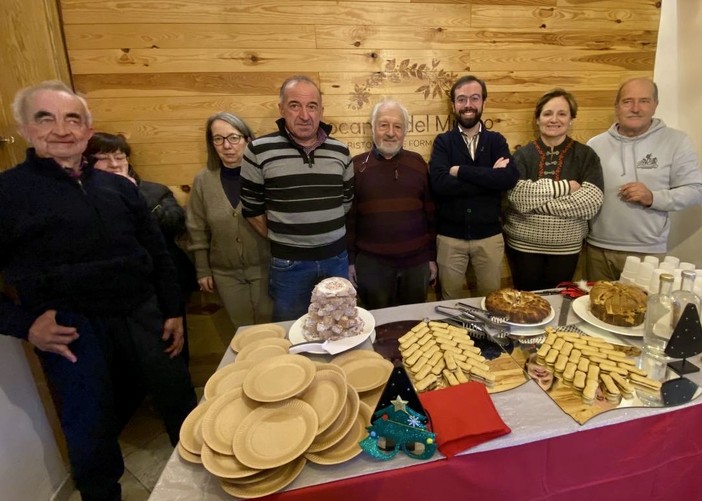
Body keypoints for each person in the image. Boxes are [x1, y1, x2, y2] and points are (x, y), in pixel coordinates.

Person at [0, 81, 196, 501]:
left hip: (143, 314)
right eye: (45, 118)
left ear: (87, 130)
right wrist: (25, 325)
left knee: (179, 401)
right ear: (25, 128)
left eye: (72, 118)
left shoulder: (119, 189)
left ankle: (203, 484)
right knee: (90, 427)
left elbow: (158, 253)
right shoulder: (7, 193)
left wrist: (172, 308)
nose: (61, 129)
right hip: (72, 329)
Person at [241, 75, 354, 321]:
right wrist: (287, 240)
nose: (305, 115)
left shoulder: (341, 151)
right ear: (281, 108)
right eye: (295, 105)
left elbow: (345, 201)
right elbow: (251, 209)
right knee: (291, 331)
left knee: (339, 327)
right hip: (289, 265)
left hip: (336, 260)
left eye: (312, 106)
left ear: (321, 110)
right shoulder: (258, 151)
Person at [586, 77, 702, 281]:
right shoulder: (595, 144)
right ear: (617, 106)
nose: (636, 108)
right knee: (594, 309)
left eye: (644, 101)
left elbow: (696, 191)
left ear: (655, 105)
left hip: (647, 253)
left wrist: (653, 198)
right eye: (628, 101)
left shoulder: (676, 141)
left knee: (642, 310)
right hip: (597, 249)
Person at [503, 89, 604, 291]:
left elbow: (590, 204)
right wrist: (566, 188)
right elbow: (517, 198)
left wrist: (536, 203)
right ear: (538, 119)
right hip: (523, 247)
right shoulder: (522, 155)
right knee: (524, 302)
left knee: (558, 302)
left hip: (566, 250)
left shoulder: (586, 156)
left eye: (562, 114)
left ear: (571, 119)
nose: (554, 120)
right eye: (547, 113)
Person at [429, 75, 519, 299]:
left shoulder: (496, 141)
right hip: (449, 239)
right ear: (454, 105)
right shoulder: (443, 142)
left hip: (489, 238)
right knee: (449, 302)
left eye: (474, 98)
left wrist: (460, 171)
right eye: (461, 99)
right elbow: (439, 184)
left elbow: (507, 178)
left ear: (483, 102)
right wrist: (489, 178)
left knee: (493, 302)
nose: (468, 105)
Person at [347, 98, 437, 308]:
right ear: (373, 128)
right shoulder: (356, 167)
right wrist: (350, 261)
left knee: (415, 327)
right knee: (378, 326)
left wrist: (431, 257)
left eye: (397, 126)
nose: (390, 132)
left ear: (405, 131)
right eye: (384, 125)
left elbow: (431, 214)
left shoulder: (418, 164)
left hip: (416, 264)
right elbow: (349, 219)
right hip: (372, 266)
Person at [186, 112, 273, 328]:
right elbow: (196, 228)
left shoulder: (264, 176)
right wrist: (202, 269)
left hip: (265, 267)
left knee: (269, 326)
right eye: (218, 139)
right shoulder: (203, 181)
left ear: (247, 140)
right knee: (242, 330)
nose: (227, 145)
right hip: (226, 274)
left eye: (233, 138)